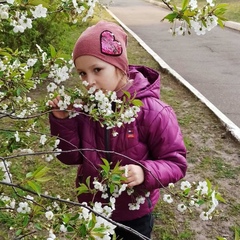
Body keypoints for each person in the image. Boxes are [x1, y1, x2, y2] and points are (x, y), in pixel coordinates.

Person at [49, 20, 187, 239]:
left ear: (120, 66)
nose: (89, 82)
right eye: (82, 74)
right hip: (95, 208)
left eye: (97, 69)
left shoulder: (153, 111)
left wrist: (145, 171)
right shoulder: (86, 110)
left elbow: (176, 162)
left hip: (135, 213)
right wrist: (62, 121)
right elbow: (70, 157)